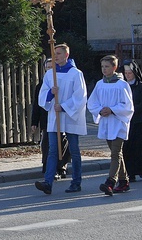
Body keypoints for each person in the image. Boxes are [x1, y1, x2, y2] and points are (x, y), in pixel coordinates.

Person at [35, 43, 87, 194]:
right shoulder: (50, 74)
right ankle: (48, 182)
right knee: (52, 150)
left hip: (70, 116)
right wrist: (51, 94)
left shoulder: (75, 74)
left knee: (74, 149)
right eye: (54, 53)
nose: (56, 56)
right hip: (54, 116)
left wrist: (64, 106)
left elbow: (80, 96)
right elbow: (42, 97)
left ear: (66, 55)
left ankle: (76, 182)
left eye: (58, 53)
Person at [87, 55, 134, 195]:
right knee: (116, 154)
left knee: (115, 153)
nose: (104, 69)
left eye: (107, 66)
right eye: (102, 67)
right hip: (106, 123)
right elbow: (92, 102)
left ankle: (110, 182)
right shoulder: (99, 84)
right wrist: (100, 110)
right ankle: (124, 181)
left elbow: (128, 106)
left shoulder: (122, 85)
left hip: (118, 122)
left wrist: (112, 110)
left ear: (114, 67)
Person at [31, 58, 70, 179]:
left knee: (63, 142)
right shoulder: (41, 85)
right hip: (46, 119)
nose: (49, 69)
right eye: (47, 67)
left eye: (51, 67)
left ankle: (62, 166)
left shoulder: (62, 81)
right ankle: (48, 166)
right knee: (48, 144)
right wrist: (34, 122)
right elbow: (37, 105)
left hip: (61, 117)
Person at [122, 60, 142, 182]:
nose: (128, 75)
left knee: (138, 147)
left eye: (130, 73)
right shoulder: (122, 86)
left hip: (138, 121)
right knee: (127, 147)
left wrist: (130, 110)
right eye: (126, 73)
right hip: (126, 122)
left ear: (135, 73)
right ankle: (130, 172)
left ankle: (141, 168)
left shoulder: (141, 86)